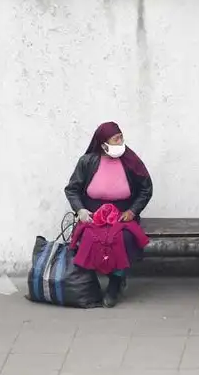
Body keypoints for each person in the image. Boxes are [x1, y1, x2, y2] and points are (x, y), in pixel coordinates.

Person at [64, 121, 153, 307]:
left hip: (122, 215)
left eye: (121, 137)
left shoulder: (131, 161)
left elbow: (146, 189)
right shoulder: (87, 162)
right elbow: (72, 189)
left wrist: (132, 210)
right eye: (116, 139)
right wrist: (80, 210)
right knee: (89, 238)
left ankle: (115, 283)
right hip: (93, 215)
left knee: (123, 239)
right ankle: (89, 286)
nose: (121, 141)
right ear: (103, 143)